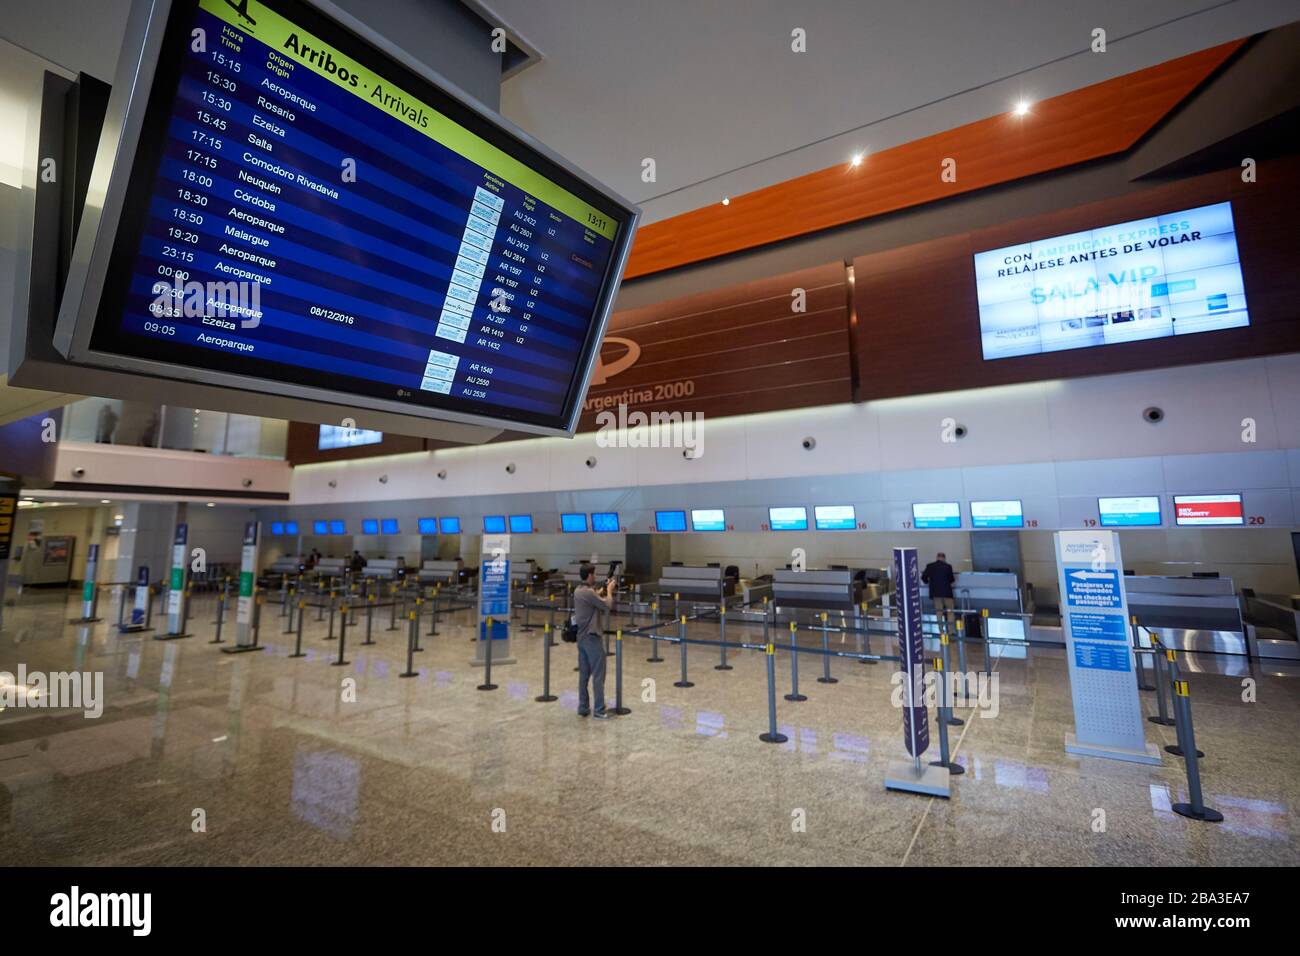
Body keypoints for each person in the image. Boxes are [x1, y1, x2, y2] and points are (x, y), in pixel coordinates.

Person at [573, 564, 615, 719]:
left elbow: (592, 599)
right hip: (592, 638)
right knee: (598, 674)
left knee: (584, 675)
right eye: (594, 574)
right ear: (589, 575)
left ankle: (583, 707)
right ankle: (599, 710)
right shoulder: (589, 593)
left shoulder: (578, 591)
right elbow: (607, 605)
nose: (595, 577)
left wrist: (599, 592)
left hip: (581, 638)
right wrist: (609, 591)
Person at [921, 552, 956, 631]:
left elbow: (923, 577)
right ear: (944, 558)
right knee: (950, 611)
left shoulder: (930, 566)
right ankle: (951, 631)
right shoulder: (948, 567)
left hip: (935, 593)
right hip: (947, 593)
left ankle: (941, 630)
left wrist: (928, 582)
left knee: (939, 611)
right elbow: (952, 579)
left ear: (937, 557)